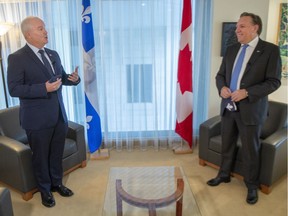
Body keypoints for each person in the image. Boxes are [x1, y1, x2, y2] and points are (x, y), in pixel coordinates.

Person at [207, 12, 281, 204]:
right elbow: (220, 75)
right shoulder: (231, 49)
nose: (237, 29)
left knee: (250, 150)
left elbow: (274, 82)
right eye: (237, 26)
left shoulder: (270, 51)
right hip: (228, 107)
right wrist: (221, 87)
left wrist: (247, 92)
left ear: (255, 28)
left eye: (242, 26)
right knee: (227, 144)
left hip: (251, 109)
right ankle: (224, 174)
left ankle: (251, 186)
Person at [7, 16, 80, 208]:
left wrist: (73, 79)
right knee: (40, 157)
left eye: (45, 28)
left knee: (56, 153)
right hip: (36, 119)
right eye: (41, 29)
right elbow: (14, 89)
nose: (45, 31)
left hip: (59, 116)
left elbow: (60, 78)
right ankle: (45, 191)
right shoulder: (16, 58)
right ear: (29, 34)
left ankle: (57, 183)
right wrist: (43, 89)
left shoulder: (53, 54)